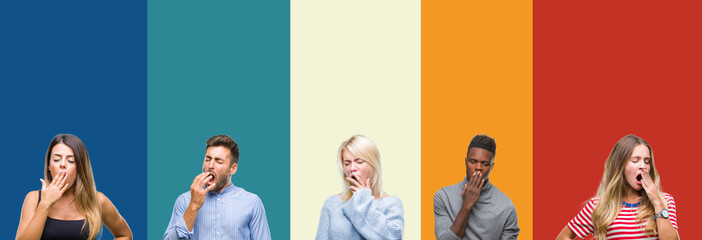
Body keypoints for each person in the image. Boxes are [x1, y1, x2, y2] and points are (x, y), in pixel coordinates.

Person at [556, 134, 679, 240]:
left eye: (647, 161)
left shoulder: (665, 201)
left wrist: (657, 202)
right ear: (620, 166)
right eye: (635, 160)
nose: (643, 166)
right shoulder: (598, 205)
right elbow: (563, 237)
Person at [15, 134, 132, 240]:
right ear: (49, 166)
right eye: (56, 159)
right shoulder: (33, 198)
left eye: (71, 160)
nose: (62, 164)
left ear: (80, 168)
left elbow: (125, 235)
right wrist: (44, 204)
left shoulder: (97, 200)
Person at [163, 135, 271, 240]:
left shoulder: (252, 202)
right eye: (208, 159)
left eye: (218, 161)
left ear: (232, 169)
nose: (210, 165)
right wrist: (193, 206)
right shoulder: (184, 201)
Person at [315, 134, 404, 240]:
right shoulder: (332, 204)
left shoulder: (392, 204)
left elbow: (392, 237)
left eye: (359, 162)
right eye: (347, 163)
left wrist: (363, 199)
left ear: (373, 164)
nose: (352, 168)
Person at [434, 134, 519, 240]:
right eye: (473, 161)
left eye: (485, 164)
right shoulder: (443, 197)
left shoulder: (507, 208)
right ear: (466, 162)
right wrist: (466, 206)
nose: (478, 168)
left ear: (492, 167)